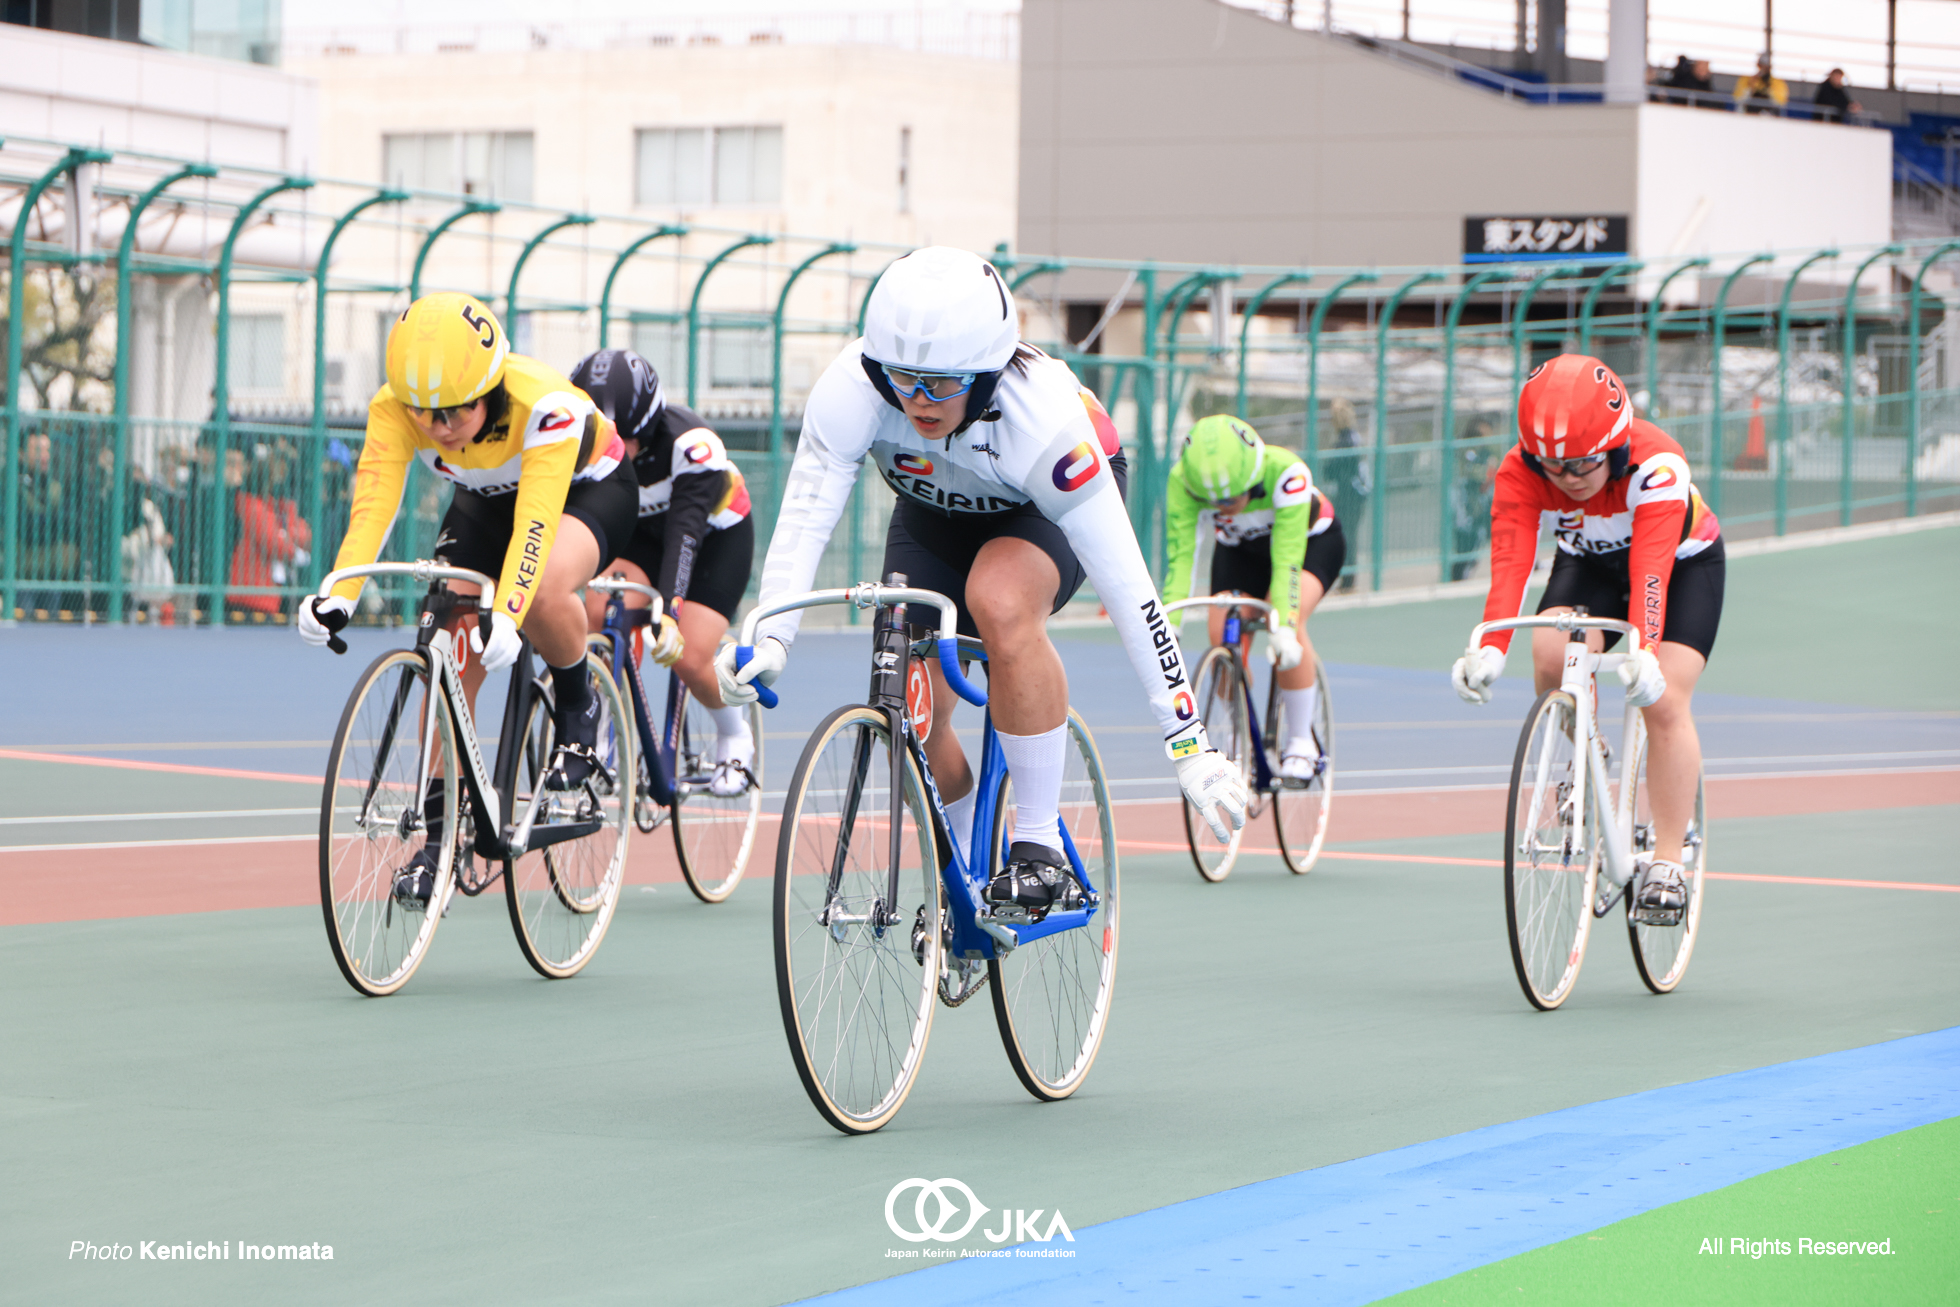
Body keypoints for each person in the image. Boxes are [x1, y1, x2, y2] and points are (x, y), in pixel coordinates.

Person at [714, 247, 1246, 920]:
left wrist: (1188, 741)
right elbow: (805, 513)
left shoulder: (1042, 420)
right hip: (932, 515)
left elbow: (1129, 588)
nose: (919, 401)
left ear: (987, 374)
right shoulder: (852, 389)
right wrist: (771, 636)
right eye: (903, 379)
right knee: (907, 703)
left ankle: (1038, 845)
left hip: (1037, 511)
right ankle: (961, 864)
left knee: (998, 600)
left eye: (942, 383)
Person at [296, 292, 637, 905]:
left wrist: (508, 610)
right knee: (447, 648)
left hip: (583, 491)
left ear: (492, 389)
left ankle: (578, 704)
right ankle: (438, 836)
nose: (438, 429)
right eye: (424, 414)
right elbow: (374, 505)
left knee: (539, 591)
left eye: (455, 412)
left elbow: (534, 524)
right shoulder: (393, 408)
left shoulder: (544, 406)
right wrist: (339, 593)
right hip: (485, 500)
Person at [1451, 355, 1725, 922]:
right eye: (1552, 467)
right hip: (1591, 566)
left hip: (1679, 567)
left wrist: (1644, 651)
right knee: (1550, 653)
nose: (1568, 480)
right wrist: (1490, 647)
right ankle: (1587, 752)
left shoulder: (1658, 466)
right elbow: (1510, 560)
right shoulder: (1519, 470)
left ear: (1617, 444)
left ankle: (1669, 861)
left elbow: (1650, 573)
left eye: (1581, 464)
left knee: (1665, 698)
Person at [569, 347, 757, 797]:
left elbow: (685, 536)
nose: (617, 452)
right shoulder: (575, 444)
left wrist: (669, 611)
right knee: (596, 614)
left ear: (649, 426)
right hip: (638, 538)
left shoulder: (691, 445)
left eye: (628, 439)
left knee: (690, 655)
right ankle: (601, 725)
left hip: (713, 538)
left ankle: (734, 732)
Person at [1161, 413, 1345, 779]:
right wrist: (1169, 627)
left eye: (1232, 497)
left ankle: (1300, 743)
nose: (1223, 506)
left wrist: (1285, 625)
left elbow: (1287, 563)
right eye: (1211, 501)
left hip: (1308, 545)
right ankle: (1241, 733)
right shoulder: (1181, 481)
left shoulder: (1287, 473)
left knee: (1286, 623)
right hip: (1241, 552)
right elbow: (1181, 558)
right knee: (1220, 633)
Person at [227, 444, 311, 619]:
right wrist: (293, 551)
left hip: (268, 592)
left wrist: (288, 537)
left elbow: (303, 534)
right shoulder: (251, 505)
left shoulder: (274, 506)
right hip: (250, 592)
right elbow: (271, 540)